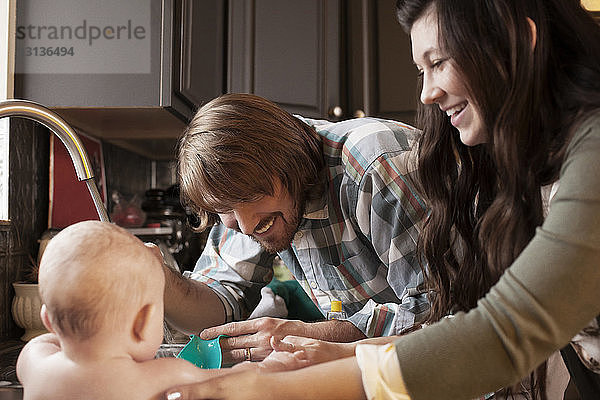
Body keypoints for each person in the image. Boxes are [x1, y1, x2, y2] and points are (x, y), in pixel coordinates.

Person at [160, 0, 600, 399]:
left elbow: (500, 334)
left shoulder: (592, 154)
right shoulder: (539, 162)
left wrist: (282, 385)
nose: (427, 93)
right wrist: (330, 357)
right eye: (420, 71)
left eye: (439, 62)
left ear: (520, 40)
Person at [162, 93, 429, 364]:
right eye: (225, 209)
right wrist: (160, 280)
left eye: (248, 196)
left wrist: (310, 335)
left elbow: (440, 313)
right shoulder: (243, 195)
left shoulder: (375, 165)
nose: (245, 225)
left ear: (287, 161)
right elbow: (222, 301)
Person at [16, 221, 223, 400]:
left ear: (48, 321)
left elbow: (41, 343)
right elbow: (229, 383)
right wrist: (251, 370)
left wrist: (67, 328)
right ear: (142, 324)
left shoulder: (36, 364)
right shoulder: (165, 375)